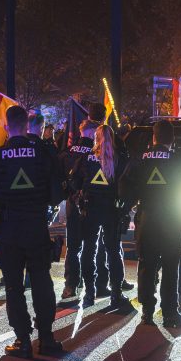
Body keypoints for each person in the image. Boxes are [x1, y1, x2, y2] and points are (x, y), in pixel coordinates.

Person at [0, 104, 65, 358]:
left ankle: (22, 340)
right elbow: (57, 191)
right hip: (36, 226)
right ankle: (46, 338)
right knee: (41, 282)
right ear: (27, 126)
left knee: (14, 287)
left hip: (9, 228)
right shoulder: (43, 152)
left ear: (6, 126)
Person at [120, 119, 181, 329]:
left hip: (148, 219)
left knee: (146, 265)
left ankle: (147, 312)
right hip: (173, 220)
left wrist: (130, 207)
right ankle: (170, 314)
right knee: (171, 267)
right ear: (172, 139)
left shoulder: (140, 158)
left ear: (153, 137)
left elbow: (125, 188)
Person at [70, 123, 131, 310]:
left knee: (89, 249)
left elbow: (74, 182)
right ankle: (116, 294)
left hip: (90, 208)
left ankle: (89, 292)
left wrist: (79, 195)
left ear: (96, 139)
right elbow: (126, 186)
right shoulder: (119, 159)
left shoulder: (85, 158)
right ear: (112, 139)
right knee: (113, 251)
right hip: (111, 210)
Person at [60, 120, 96, 299]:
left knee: (73, 247)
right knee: (90, 245)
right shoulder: (95, 153)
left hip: (72, 203)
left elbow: (59, 175)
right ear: (91, 133)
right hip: (90, 203)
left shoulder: (69, 151)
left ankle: (71, 284)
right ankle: (90, 286)